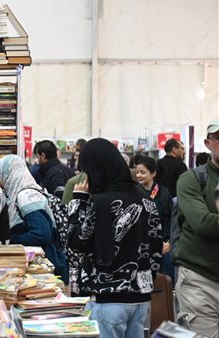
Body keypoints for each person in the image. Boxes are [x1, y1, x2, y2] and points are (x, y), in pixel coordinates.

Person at [67, 138, 163, 338]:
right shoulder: (148, 201)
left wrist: (78, 202)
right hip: (141, 299)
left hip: (108, 297)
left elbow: (76, 241)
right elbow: (156, 248)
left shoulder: (102, 203)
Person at [173, 119, 219, 338]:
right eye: (218, 138)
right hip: (200, 280)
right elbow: (203, 224)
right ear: (208, 143)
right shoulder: (192, 179)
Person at [0, 154, 68, 282]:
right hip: (39, 263)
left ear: (7, 173)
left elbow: (41, 234)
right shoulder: (19, 194)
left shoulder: (27, 196)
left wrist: (11, 241)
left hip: (44, 266)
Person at [135, 156, 173, 280]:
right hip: (139, 245)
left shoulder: (165, 193)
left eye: (143, 172)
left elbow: (169, 220)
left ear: (153, 173)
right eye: (137, 172)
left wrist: (169, 241)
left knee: (161, 280)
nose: (139, 175)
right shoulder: (133, 192)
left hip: (162, 245)